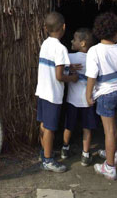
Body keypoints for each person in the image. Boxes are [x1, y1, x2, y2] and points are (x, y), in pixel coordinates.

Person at [85, 12, 117, 181]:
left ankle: (110, 167)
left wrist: (88, 94)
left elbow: (92, 75)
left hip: (106, 93)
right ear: (116, 32)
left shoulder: (94, 50)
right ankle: (115, 154)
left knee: (109, 131)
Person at [35, 11, 78, 172]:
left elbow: (52, 65)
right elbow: (59, 76)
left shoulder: (45, 44)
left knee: (43, 125)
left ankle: (43, 152)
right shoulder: (61, 49)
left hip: (42, 91)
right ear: (64, 27)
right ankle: (48, 160)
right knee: (51, 128)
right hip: (53, 95)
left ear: (46, 28)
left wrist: (69, 66)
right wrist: (72, 78)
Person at [60, 28, 97, 166]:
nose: (71, 41)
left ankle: (65, 149)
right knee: (87, 127)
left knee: (68, 125)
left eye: (74, 39)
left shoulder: (70, 57)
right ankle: (86, 155)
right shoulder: (94, 59)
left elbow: (60, 68)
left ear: (82, 43)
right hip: (88, 101)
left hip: (72, 101)